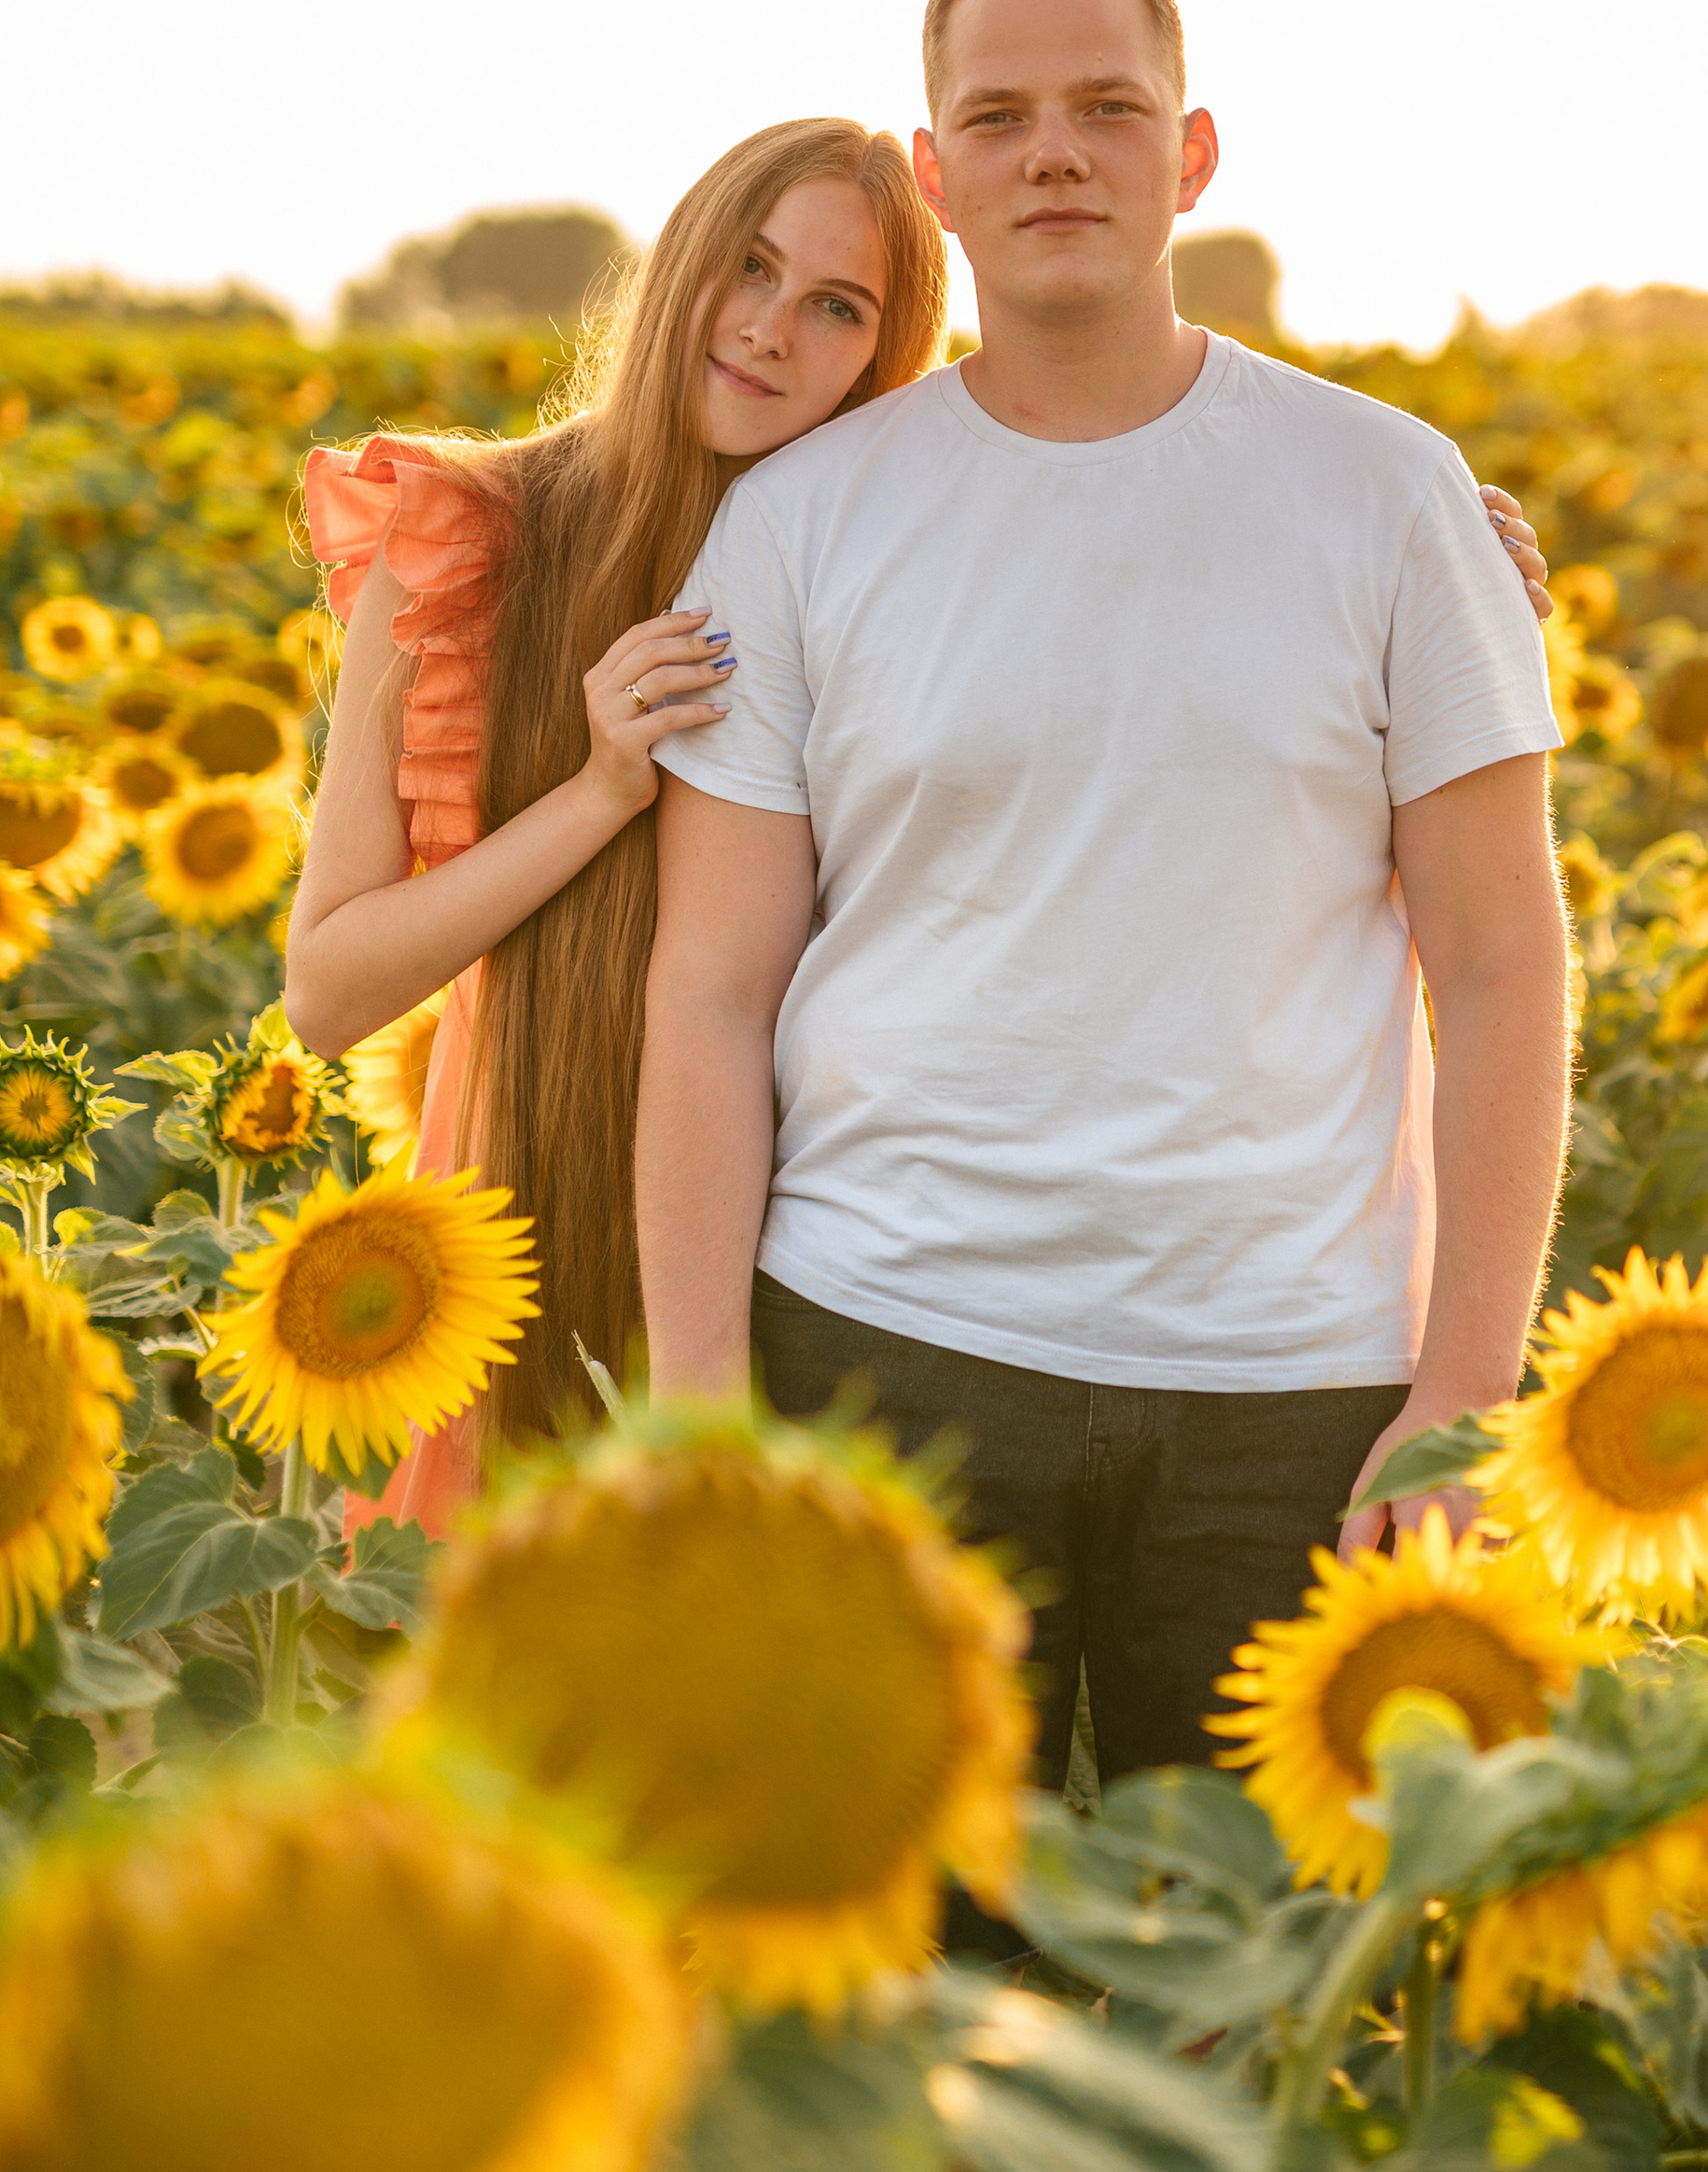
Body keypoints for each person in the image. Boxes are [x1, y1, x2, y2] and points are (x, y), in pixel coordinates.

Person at [286, 110, 1551, 1529]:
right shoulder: (474, 540)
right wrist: (595, 794)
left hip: (823, 1247)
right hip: (547, 1191)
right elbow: (329, 992)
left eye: (838, 307)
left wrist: (1426, 560)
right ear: (681, 262)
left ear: (888, 355)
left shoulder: (882, 541)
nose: (771, 330)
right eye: (748, 268)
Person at [637, 0, 1576, 1794]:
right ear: (935, 176)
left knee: (1241, 1993)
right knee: (896, 1974)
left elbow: (1500, 960)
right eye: (995, 114)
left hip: (1289, 1374)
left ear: (1191, 153)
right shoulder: (804, 521)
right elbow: (711, 986)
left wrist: (1465, 1386)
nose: (1051, 150)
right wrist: (701, 1404)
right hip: (885, 1342)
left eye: (1103, 107)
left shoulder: (1384, 492)